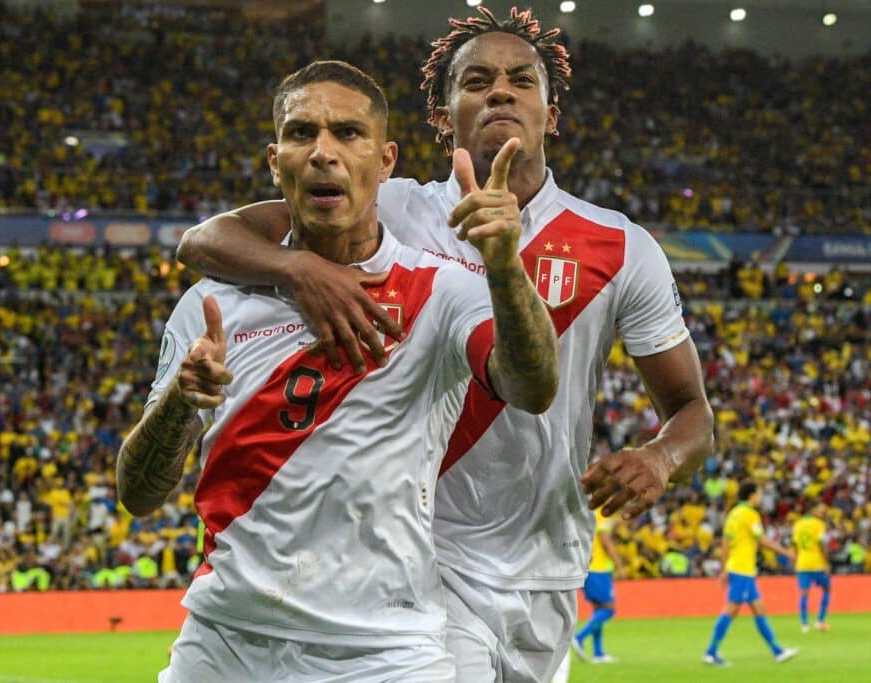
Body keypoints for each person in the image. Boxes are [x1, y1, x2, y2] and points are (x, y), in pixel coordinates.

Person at [177, 6, 714, 682]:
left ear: (551, 113)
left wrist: (661, 458)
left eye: (522, 80)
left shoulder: (621, 247)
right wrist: (300, 267)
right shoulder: (392, 207)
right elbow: (203, 240)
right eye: (476, 80)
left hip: (547, 565)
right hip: (425, 560)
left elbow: (693, 411)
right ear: (442, 113)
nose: (500, 91)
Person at [118, 60, 559, 682]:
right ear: (276, 162)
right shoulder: (213, 305)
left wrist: (506, 266)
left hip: (387, 653)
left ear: (385, 161)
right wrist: (179, 404)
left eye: (348, 133)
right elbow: (139, 494)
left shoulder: (442, 290)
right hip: (226, 644)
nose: (324, 152)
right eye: (302, 134)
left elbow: (533, 387)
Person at [703, 480, 798, 666]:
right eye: (759, 493)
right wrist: (786, 552)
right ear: (752, 495)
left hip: (737, 568)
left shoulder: (733, 515)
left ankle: (777, 651)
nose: (760, 497)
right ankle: (710, 652)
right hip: (743, 569)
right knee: (731, 610)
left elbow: (725, 543)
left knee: (758, 608)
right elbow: (762, 540)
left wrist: (723, 569)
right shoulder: (750, 514)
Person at [571, 509, 623, 664]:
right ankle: (579, 638)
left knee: (599, 610)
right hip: (598, 568)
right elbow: (605, 542)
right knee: (608, 609)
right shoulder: (601, 513)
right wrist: (619, 565)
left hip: (587, 567)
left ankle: (598, 653)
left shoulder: (587, 512)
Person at [792, 503, 831, 633]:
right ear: (812, 510)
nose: (821, 513)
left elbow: (795, 545)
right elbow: (822, 544)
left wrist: (796, 560)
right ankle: (820, 621)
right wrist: (826, 563)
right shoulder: (819, 524)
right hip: (817, 563)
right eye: (819, 510)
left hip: (802, 563)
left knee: (804, 593)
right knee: (827, 589)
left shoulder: (797, 525)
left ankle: (804, 624)